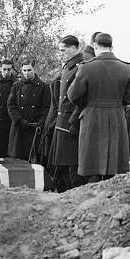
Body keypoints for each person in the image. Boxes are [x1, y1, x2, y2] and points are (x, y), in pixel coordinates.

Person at [67, 32, 130, 182]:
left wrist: (87, 102)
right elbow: (129, 98)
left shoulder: (86, 68)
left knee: (93, 163)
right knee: (114, 164)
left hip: (92, 118)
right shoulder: (126, 68)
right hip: (117, 117)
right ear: (112, 47)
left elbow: (72, 96)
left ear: (95, 46)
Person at [49, 35, 86, 190]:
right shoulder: (68, 67)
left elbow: (83, 99)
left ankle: (75, 197)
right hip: (61, 122)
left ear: (74, 48)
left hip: (71, 123)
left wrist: (74, 122)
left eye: (63, 50)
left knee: (72, 165)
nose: (61, 53)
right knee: (62, 164)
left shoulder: (82, 67)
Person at [7, 60, 50, 161]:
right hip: (19, 128)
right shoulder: (16, 86)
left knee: (33, 159)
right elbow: (11, 105)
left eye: (29, 70)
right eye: (24, 70)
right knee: (17, 158)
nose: (27, 73)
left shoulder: (44, 87)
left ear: (34, 69)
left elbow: (46, 108)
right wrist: (19, 120)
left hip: (34, 129)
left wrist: (40, 123)